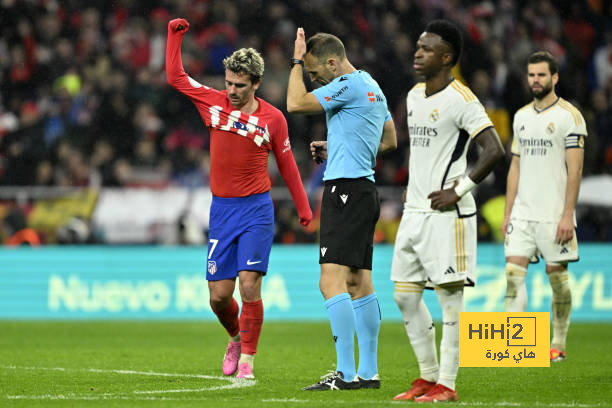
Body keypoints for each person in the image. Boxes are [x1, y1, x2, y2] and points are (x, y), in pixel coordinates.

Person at [166, 18, 312, 379]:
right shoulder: (212, 104)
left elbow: (289, 167)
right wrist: (174, 37)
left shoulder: (273, 119)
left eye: (240, 85)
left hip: (257, 210)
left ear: (256, 84)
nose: (231, 90)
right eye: (228, 82)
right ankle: (234, 337)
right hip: (222, 211)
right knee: (218, 296)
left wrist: (305, 208)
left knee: (249, 284)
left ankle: (247, 359)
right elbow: (176, 78)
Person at [391, 20, 505, 402]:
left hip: (448, 215)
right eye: (417, 47)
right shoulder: (413, 96)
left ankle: (448, 384)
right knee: (405, 296)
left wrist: (460, 189)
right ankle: (426, 377)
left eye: (426, 49)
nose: (417, 53)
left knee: (449, 300)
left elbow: (494, 150)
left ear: (447, 57)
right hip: (414, 211)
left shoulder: (461, 98)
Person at [287, 28, 397, 390]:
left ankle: (346, 374)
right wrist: (338, 146)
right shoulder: (372, 85)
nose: (314, 80)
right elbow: (389, 140)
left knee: (330, 281)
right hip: (364, 190)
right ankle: (368, 373)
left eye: (317, 74)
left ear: (333, 63)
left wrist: (296, 61)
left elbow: (296, 103)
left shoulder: (347, 84)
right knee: (359, 282)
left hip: (345, 192)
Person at [502, 51, 586, 363]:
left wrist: (567, 214)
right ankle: (517, 347)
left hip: (554, 214)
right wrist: (509, 212)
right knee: (513, 274)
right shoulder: (521, 116)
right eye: (531, 75)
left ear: (555, 77)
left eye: (541, 75)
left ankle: (558, 343)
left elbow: (575, 170)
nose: (535, 80)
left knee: (557, 279)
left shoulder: (570, 116)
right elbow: (515, 166)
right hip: (523, 213)